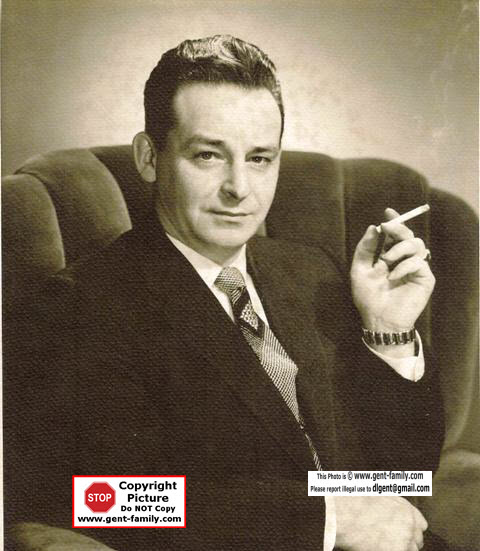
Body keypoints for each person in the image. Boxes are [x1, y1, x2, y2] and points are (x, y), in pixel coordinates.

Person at [12, 35, 445, 551]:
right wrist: (327, 521)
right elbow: (99, 500)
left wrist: (389, 333)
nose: (239, 187)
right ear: (149, 157)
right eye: (208, 156)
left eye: (260, 158)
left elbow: (405, 480)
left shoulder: (312, 272)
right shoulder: (78, 305)